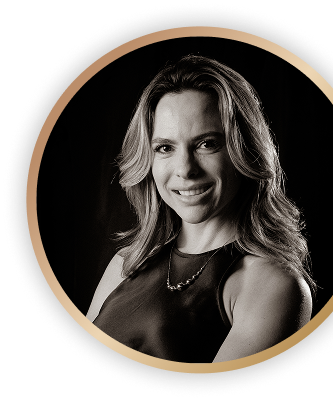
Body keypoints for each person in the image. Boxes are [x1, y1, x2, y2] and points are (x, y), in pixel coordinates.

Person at [86, 55, 316, 363]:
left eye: (206, 143)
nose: (185, 169)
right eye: (165, 148)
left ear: (244, 150)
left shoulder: (272, 285)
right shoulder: (126, 263)